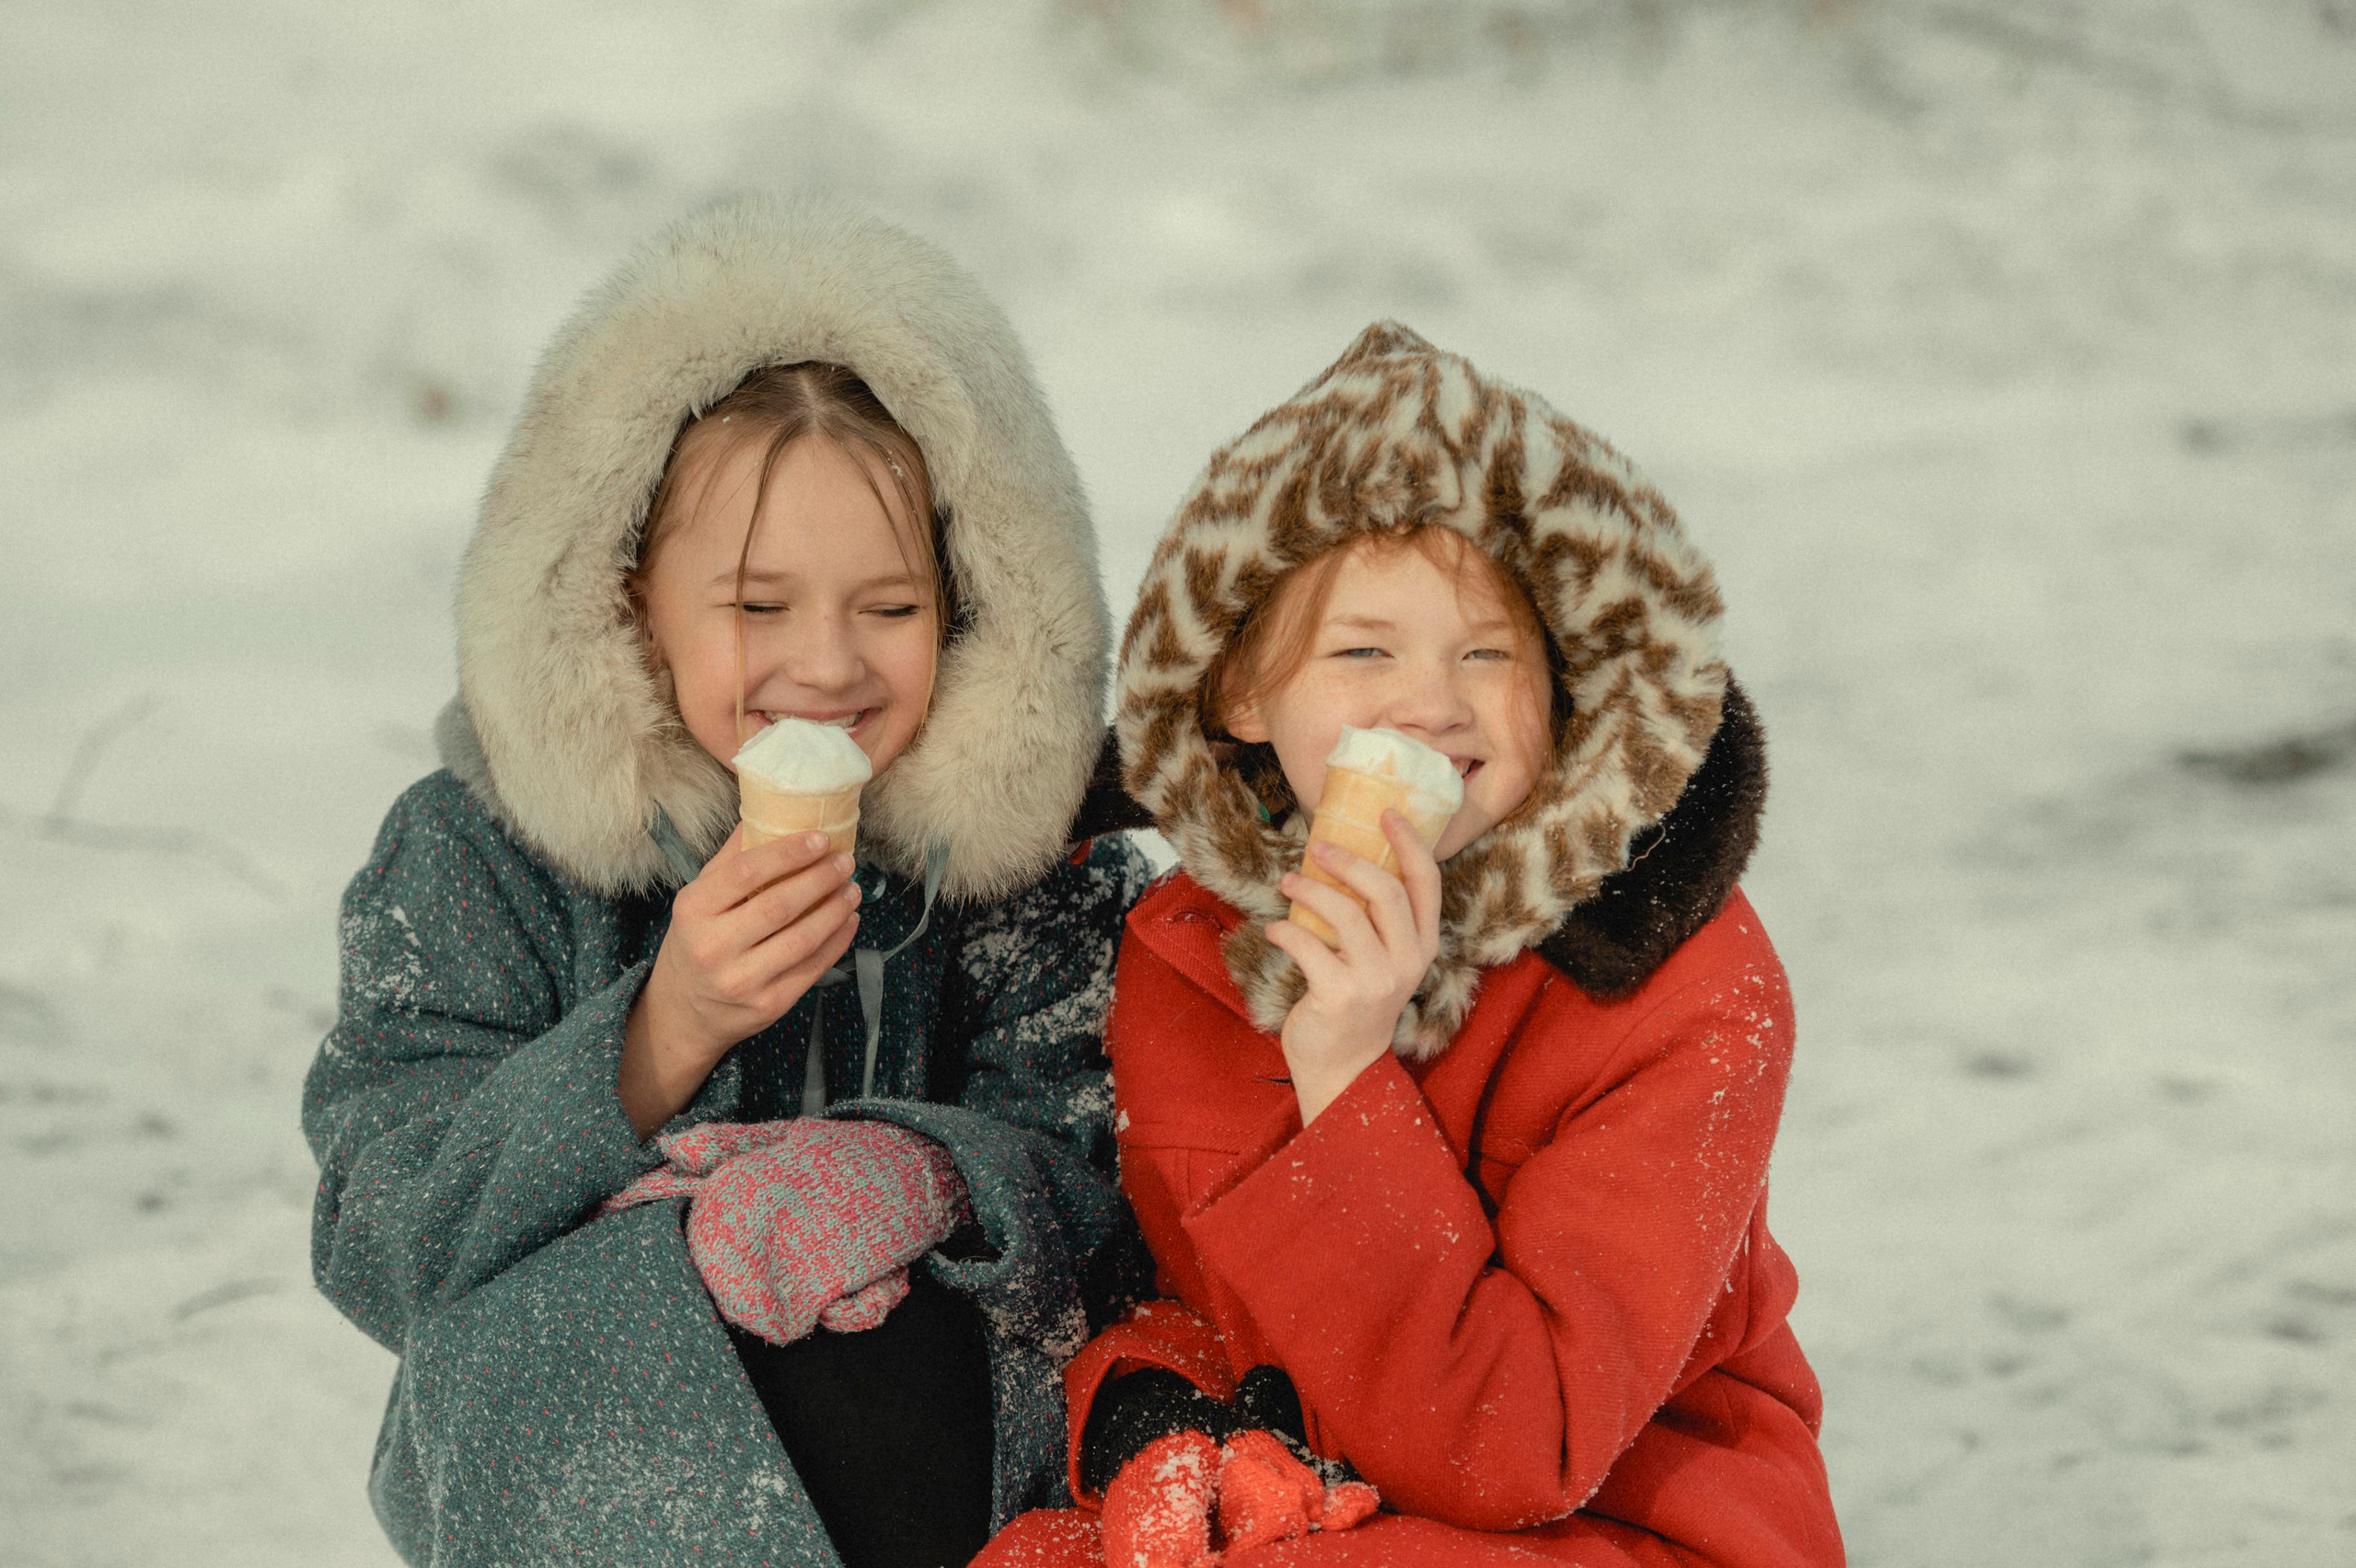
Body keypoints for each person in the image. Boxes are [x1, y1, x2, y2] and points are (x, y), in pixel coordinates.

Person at [303, 196, 1152, 1568]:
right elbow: (384, 1241)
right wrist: (659, 1039)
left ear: (969, 605)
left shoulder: (1032, 874)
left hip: (936, 1479)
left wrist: (932, 1170)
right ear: (627, 601)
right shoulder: (477, 854)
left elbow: (1118, 1197)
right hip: (581, 1483)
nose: (827, 664)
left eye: (890, 608)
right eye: (758, 607)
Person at [978, 323, 1844, 1567]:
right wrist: (1152, 1404)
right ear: (1240, 695)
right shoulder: (1188, 956)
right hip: (1330, 1502)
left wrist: (1343, 1072)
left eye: (1488, 654)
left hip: (1625, 1524)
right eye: (1363, 651)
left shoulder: (1681, 987)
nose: (1433, 703)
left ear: (1569, 688)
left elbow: (1517, 1453)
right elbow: (1195, 1298)